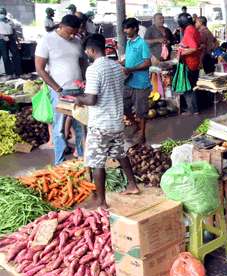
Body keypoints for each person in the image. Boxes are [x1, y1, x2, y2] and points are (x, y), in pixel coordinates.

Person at [74, 34, 139, 208]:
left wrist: (78, 99)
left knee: (96, 162)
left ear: (91, 50)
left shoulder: (94, 69)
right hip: (116, 122)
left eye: (87, 51)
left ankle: (102, 201)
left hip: (100, 124)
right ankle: (132, 185)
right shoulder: (116, 67)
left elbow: (92, 100)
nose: (87, 54)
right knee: (120, 154)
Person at [35, 14, 85, 165]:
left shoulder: (77, 41)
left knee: (80, 126)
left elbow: (82, 62)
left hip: (78, 90)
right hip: (60, 92)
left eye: (75, 32)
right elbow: (40, 68)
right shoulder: (47, 40)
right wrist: (57, 88)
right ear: (60, 26)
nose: (72, 35)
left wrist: (84, 80)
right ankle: (59, 161)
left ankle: (82, 157)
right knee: (59, 128)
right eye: (69, 32)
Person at [121, 18, 151, 143]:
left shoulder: (142, 43)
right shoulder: (129, 43)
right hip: (128, 82)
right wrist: (121, 63)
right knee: (124, 107)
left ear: (135, 28)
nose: (125, 30)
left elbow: (147, 62)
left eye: (127, 28)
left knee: (141, 111)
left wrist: (131, 69)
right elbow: (128, 59)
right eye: (124, 28)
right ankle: (136, 125)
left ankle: (142, 134)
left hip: (141, 83)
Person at [177, 13, 201, 115]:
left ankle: (193, 110)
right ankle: (194, 109)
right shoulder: (193, 29)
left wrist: (182, 52)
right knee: (192, 86)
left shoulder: (189, 31)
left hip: (190, 63)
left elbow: (194, 47)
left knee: (188, 87)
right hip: (194, 62)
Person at [0, 8, 21, 78]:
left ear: (5, 13)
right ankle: (9, 74)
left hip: (11, 38)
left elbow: (14, 31)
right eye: (1, 13)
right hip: (2, 39)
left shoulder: (10, 21)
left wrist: (18, 41)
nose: (2, 15)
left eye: (3, 13)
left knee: (16, 55)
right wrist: (2, 37)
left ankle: (18, 73)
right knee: (5, 57)